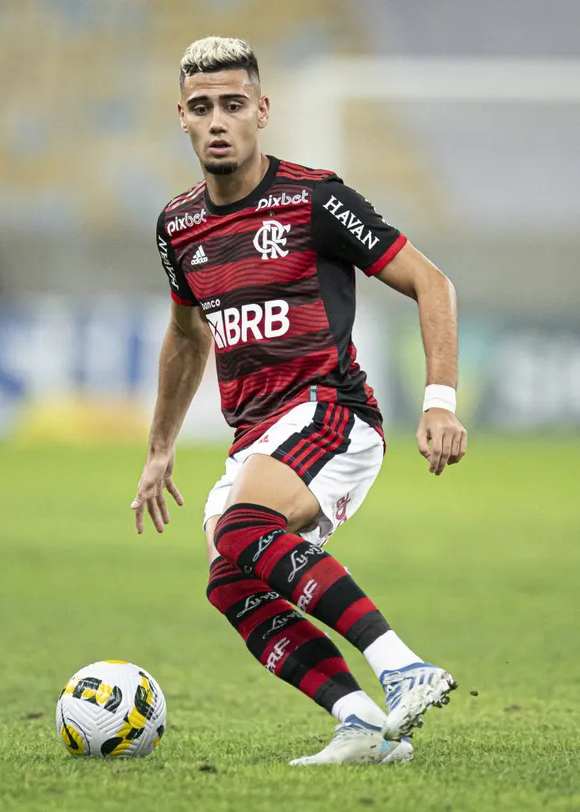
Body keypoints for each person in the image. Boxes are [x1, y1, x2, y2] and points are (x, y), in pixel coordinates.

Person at [131, 37, 467, 766]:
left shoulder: (314, 198)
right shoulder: (178, 226)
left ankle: (404, 665)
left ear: (262, 111)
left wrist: (438, 401)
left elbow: (431, 282)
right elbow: (186, 337)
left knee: (243, 525)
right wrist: (159, 448)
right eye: (201, 108)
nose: (218, 120)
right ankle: (361, 724)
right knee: (230, 578)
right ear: (180, 119)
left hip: (330, 413)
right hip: (257, 433)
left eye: (232, 105)